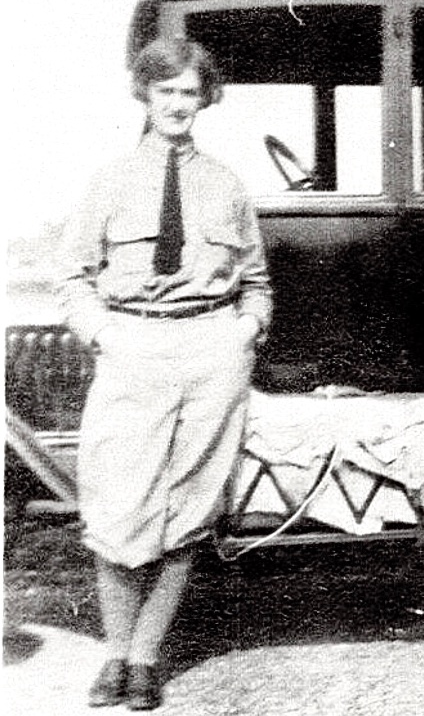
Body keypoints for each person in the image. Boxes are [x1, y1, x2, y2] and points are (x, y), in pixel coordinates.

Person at [57, 37, 272, 710]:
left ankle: (144, 659)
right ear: (144, 95)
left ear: (205, 99)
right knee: (117, 510)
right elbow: (73, 278)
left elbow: (256, 281)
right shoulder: (109, 180)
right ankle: (115, 652)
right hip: (133, 350)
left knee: (187, 510)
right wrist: (105, 335)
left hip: (212, 351)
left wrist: (244, 332)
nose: (178, 104)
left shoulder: (227, 184)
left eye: (189, 92)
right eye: (166, 91)